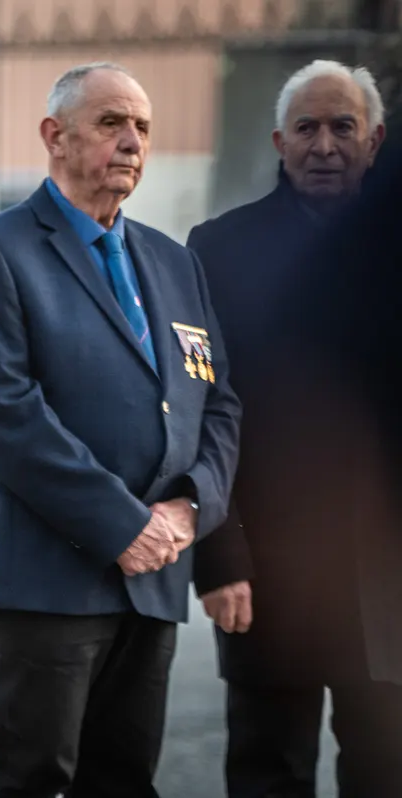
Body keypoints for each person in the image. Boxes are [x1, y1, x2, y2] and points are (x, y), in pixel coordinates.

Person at [0, 62, 242, 797]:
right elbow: (4, 411)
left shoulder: (174, 264)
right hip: (46, 578)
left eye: (142, 127)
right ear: (55, 135)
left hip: (154, 576)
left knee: (126, 779)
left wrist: (190, 508)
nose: (133, 141)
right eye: (112, 123)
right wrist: (120, 524)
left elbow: (219, 402)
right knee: (31, 779)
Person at [188, 59, 401, 797]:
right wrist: (217, 556)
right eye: (306, 128)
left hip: (388, 577)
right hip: (268, 574)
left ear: (375, 141)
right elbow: (198, 409)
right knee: (267, 773)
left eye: (344, 127)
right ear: (279, 142)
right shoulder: (218, 250)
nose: (324, 144)